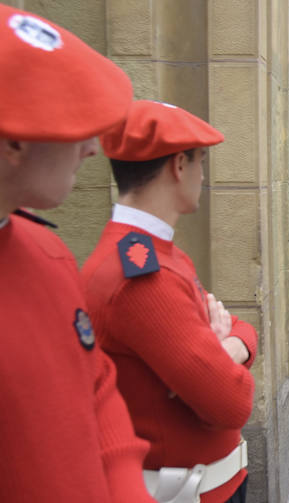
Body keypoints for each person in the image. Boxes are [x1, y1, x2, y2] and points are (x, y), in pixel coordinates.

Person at [0, 6, 156, 502]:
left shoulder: (47, 250)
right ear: (14, 140)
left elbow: (96, 386)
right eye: (74, 122)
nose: (92, 147)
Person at [80, 100, 258, 502]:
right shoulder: (142, 277)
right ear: (179, 165)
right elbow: (232, 403)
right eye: (200, 162)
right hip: (190, 492)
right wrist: (229, 347)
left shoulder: (149, 254)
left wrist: (227, 346)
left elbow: (239, 329)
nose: (202, 174)